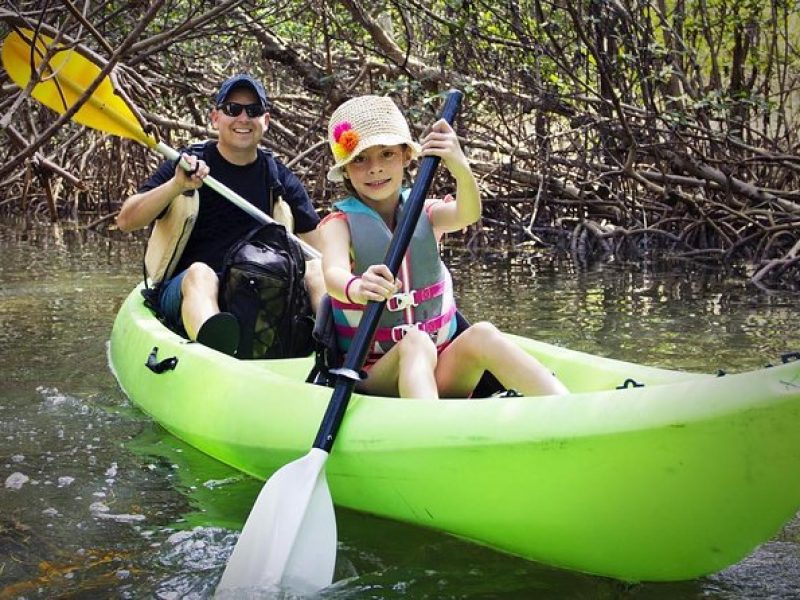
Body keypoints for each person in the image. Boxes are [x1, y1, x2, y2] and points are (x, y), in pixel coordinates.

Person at [319, 95, 568, 399]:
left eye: (386, 154)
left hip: (439, 366)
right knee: (415, 343)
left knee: (483, 334)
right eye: (360, 159)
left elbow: (468, 213)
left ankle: (566, 406)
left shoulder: (425, 211)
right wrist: (358, 287)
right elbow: (332, 274)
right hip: (374, 374)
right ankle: (429, 435)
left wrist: (460, 168)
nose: (375, 168)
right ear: (344, 170)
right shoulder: (338, 224)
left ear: (405, 157)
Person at [117, 74, 323, 355]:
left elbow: (321, 251)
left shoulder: (280, 179)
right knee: (201, 274)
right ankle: (215, 354)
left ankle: (336, 348)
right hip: (189, 290)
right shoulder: (187, 165)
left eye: (253, 111)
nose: (243, 118)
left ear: (266, 121)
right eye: (232, 109)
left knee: (316, 270)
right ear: (215, 117)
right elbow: (126, 221)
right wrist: (176, 186)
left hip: (257, 289)